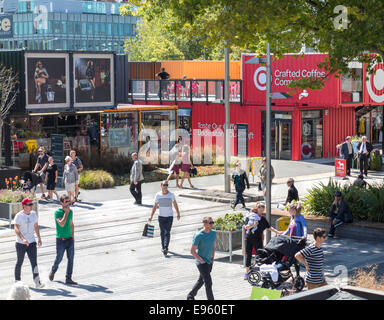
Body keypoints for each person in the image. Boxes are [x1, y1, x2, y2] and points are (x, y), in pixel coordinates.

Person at [243, 202, 281, 280]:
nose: (261, 213)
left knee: (260, 255)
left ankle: (261, 270)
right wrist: (254, 225)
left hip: (258, 239)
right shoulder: (250, 216)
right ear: (257, 209)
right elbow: (246, 227)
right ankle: (247, 272)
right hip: (249, 238)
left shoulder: (262, 219)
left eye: (262, 211)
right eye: (260, 210)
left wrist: (277, 232)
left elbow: (269, 227)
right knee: (248, 255)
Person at [14, 198, 44, 289]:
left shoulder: (34, 214)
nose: (31, 206)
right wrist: (23, 239)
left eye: (31, 204)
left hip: (32, 242)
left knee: (34, 262)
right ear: (24, 206)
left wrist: (39, 238)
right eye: (29, 204)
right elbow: (16, 228)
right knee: (20, 262)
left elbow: (36, 226)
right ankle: (17, 282)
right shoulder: (19, 216)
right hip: (20, 244)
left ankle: (37, 282)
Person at [49, 194, 78, 285]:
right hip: (60, 240)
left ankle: (68, 278)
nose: (68, 203)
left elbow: (71, 224)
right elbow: (61, 224)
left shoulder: (71, 212)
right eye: (66, 201)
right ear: (61, 203)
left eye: (68, 201)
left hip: (69, 239)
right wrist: (66, 213)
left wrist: (73, 236)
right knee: (59, 258)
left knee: (71, 259)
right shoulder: (57, 212)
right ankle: (53, 270)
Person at [148, 181, 181, 256]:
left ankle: (165, 247)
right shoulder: (158, 195)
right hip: (161, 216)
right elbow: (155, 206)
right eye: (164, 185)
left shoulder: (171, 195)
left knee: (167, 232)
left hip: (169, 217)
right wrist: (151, 216)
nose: (165, 186)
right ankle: (163, 247)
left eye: (167, 185)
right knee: (162, 232)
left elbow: (175, 204)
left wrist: (178, 213)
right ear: (161, 185)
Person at [187, 216, 216, 300]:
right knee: (208, 282)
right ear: (204, 223)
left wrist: (212, 259)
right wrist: (201, 260)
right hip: (201, 263)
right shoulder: (198, 235)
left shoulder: (213, 233)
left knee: (201, 280)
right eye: (210, 223)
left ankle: (191, 295)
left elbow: (213, 247)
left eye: (212, 222)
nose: (212, 224)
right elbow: (192, 251)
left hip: (209, 261)